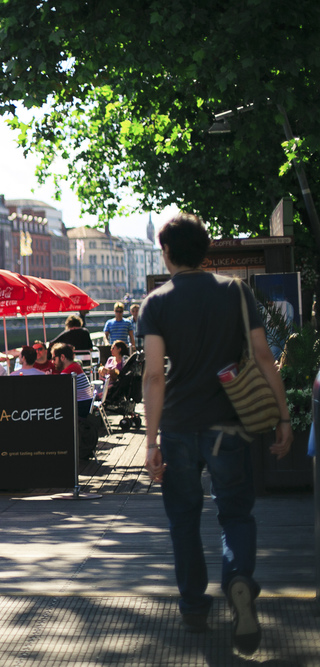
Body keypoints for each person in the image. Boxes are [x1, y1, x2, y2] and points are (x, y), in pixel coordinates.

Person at [139, 213, 292, 654]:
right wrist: (283, 417)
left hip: (180, 428)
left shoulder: (157, 302)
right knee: (236, 514)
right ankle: (238, 578)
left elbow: (153, 377)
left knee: (183, 521)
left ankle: (193, 608)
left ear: (166, 252)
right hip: (231, 425)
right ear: (205, 250)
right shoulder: (235, 291)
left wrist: (150, 442)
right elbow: (264, 356)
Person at [50, 342, 94, 418]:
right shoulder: (75, 365)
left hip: (81, 407)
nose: (52, 362)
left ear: (62, 357)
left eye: (54, 358)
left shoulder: (68, 371)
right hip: (86, 404)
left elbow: (56, 393)